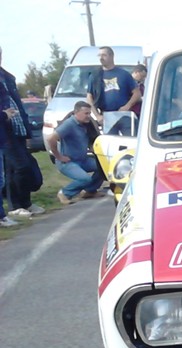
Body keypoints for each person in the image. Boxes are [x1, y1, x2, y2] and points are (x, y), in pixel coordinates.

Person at [0, 46, 45, 219]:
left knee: (23, 166)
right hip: (4, 130)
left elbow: (17, 104)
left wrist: (26, 130)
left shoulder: (7, 77)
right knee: (17, 167)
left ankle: (25, 203)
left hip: (17, 128)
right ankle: (15, 205)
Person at [46, 100, 105, 204]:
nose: (88, 116)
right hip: (68, 162)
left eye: (89, 113)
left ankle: (90, 191)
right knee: (85, 179)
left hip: (82, 160)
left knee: (104, 167)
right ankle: (65, 193)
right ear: (76, 112)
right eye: (86, 113)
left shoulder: (86, 124)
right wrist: (59, 157)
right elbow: (51, 138)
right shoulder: (69, 124)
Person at [86, 47, 141, 131]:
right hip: (106, 116)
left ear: (111, 56)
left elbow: (137, 94)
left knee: (129, 141)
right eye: (99, 55)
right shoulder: (95, 76)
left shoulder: (123, 74)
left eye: (104, 55)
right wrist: (97, 116)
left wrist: (127, 106)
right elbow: (89, 98)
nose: (101, 58)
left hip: (124, 115)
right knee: (111, 142)